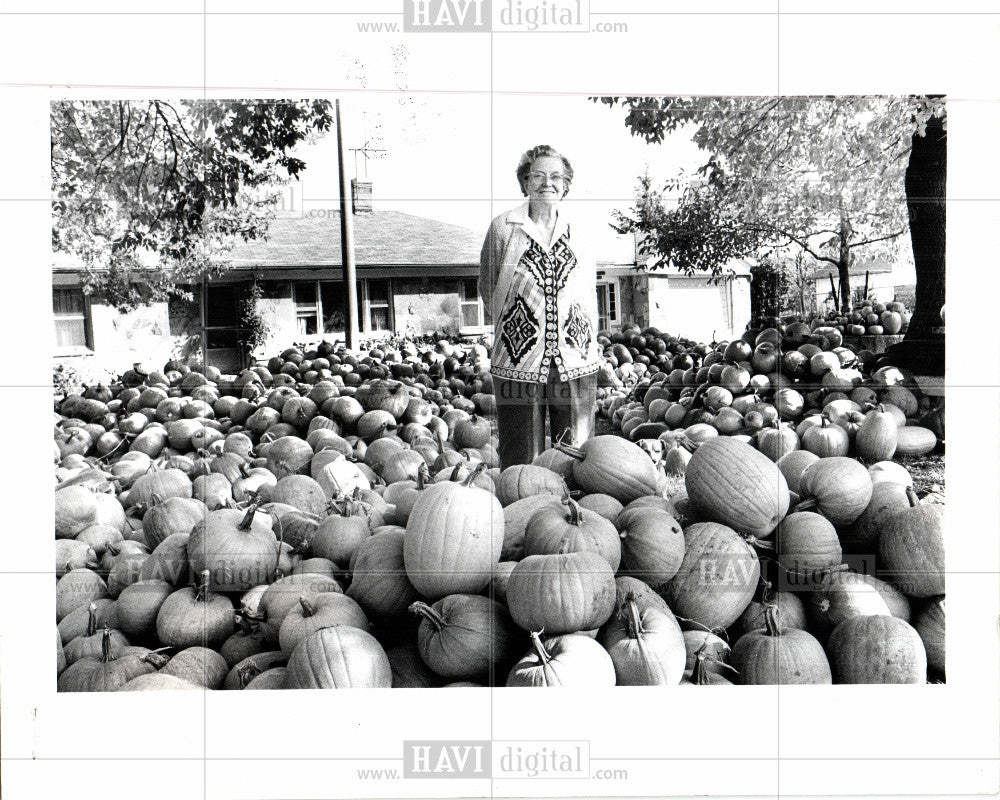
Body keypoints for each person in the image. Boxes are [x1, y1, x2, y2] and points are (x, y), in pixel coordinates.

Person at [479, 145, 601, 470]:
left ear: (565, 185)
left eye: (556, 176)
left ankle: (577, 512)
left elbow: (588, 292)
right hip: (516, 359)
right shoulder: (503, 228)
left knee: (577, 455)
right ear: (525, 182)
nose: (548, 182)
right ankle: (522, 512)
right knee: (520, 458)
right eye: (538, 176)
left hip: (576, 357)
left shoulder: (581, 231)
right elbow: (489, 290)